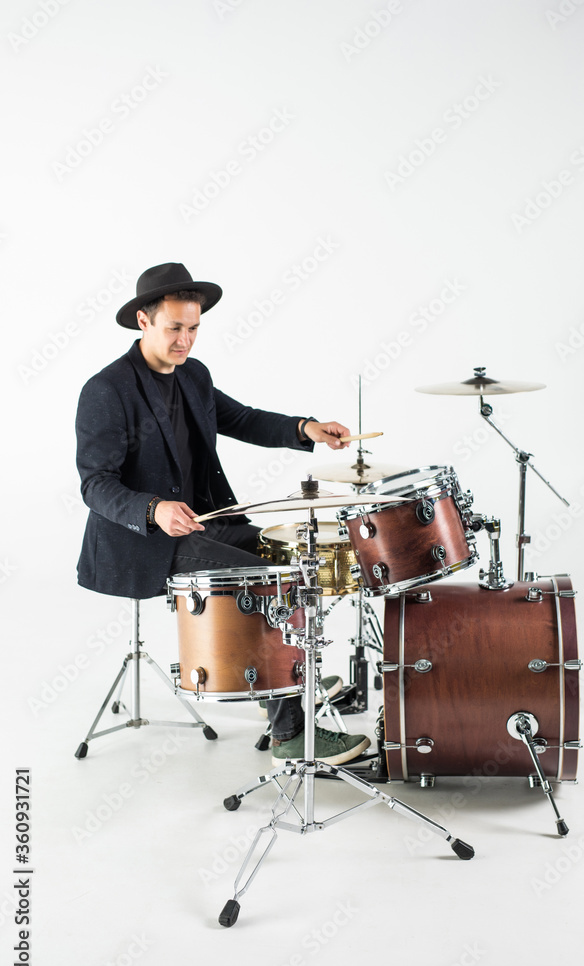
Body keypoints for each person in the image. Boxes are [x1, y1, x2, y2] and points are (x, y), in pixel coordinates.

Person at [75, 262, 370, 766]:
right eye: (175, 328)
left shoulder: (193, 374)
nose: (185, 340)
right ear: (143, 321)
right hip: (145, 539)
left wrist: (305, 428)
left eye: (193, 328)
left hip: (205, 521)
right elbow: (94, 483)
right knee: (262, 582)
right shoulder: (107, 390)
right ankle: (290, 733)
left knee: (287, 556)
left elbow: (241, 418)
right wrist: (153, 508)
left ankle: (283, 673)